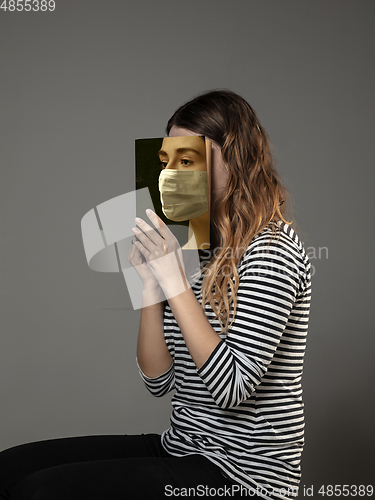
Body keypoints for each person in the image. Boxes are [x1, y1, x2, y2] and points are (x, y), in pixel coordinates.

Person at [0, 90, 311, 500]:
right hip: (183, 449)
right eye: (167, 160)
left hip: (244, 478)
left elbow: (232, 388)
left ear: (235, 160)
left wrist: (175, 281)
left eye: (191, 157)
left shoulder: (272, 249)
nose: (174, 173)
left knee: (41, 491)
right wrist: (151, 285)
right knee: (8, 470)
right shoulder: (192, 244)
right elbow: (158, 380)